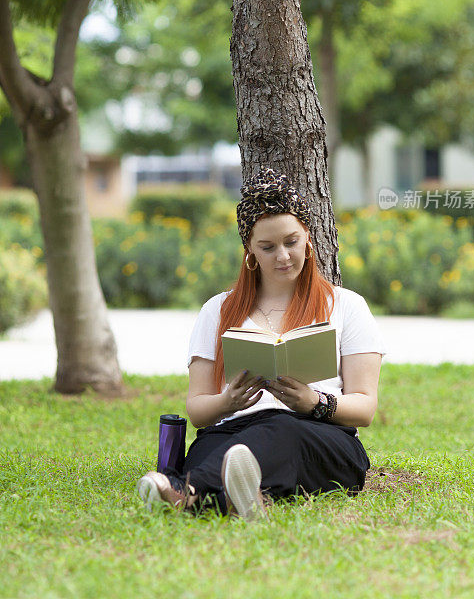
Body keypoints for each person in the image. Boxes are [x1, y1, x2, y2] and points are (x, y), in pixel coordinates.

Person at [137, 166, 387, 520]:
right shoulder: (218, 310)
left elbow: (365, 408)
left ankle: (186, 493)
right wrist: (228, 401)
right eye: (267, 247)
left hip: (320, 434)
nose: (282, 256)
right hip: (234, 427)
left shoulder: (346, 305)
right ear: (249, 252)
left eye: (291, 242)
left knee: (281, 429)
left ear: (308, 239)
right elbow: (197, 410)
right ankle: (243, 497)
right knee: (217, 447)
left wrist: (313, 401)